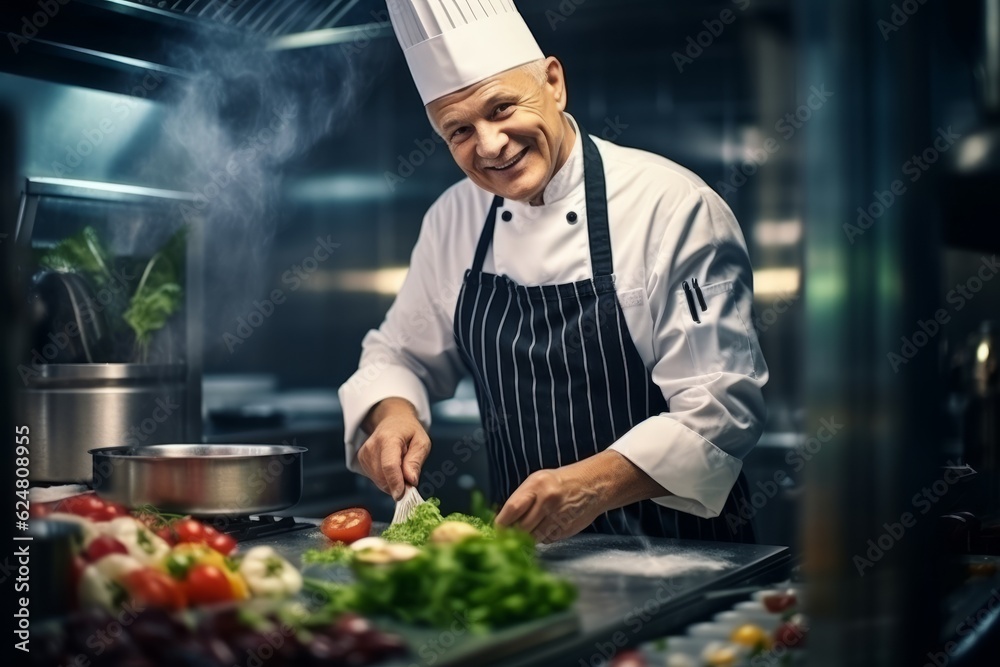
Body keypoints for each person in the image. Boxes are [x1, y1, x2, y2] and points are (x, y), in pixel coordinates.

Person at [338, 0, 768, 544]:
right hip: (528, 555)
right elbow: (397, 353)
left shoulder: (673, 206)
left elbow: (722, 408)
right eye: (459, 131)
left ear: (554, 82)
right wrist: (392, 413)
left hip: (683, 550)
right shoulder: (454, 216)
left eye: (500, 109)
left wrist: (592, 484)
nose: (490, 145)